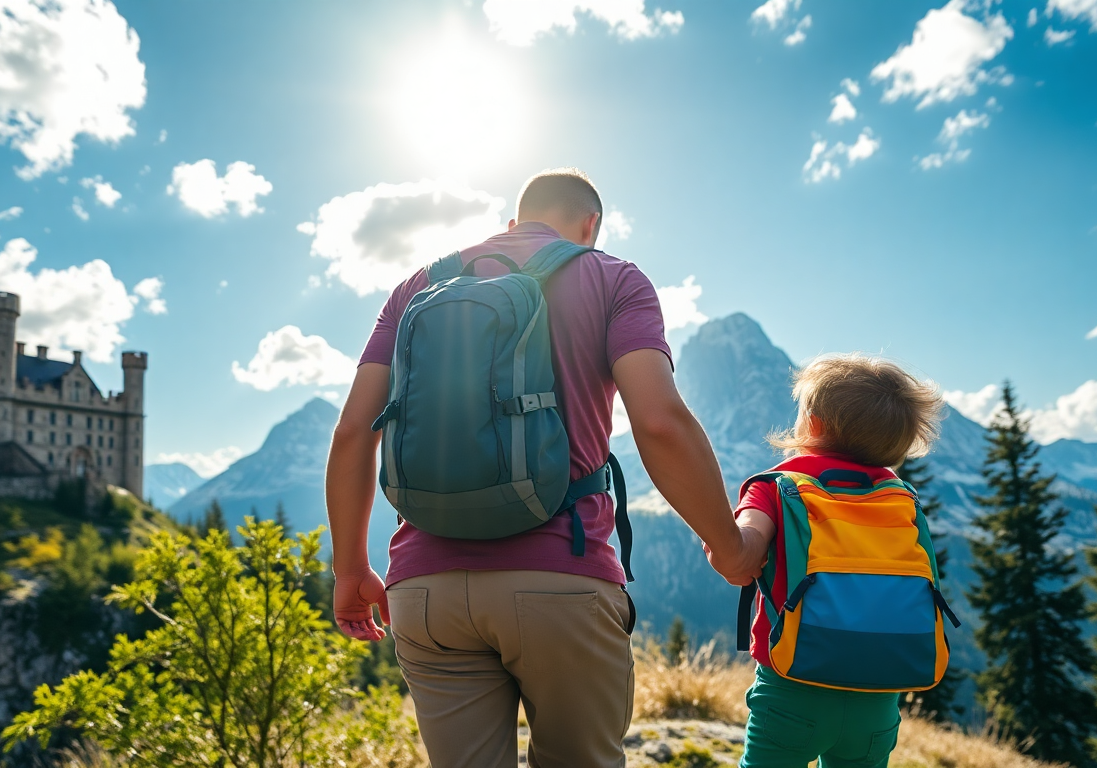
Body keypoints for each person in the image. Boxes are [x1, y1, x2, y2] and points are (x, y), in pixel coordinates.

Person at [325, 167, 762, 768]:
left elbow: (354, 433)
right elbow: (659, 423)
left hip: (425, 588)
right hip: (562, 574)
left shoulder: (418, 288)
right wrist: (729, 546)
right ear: (591, 226)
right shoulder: (614, 278)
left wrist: (349, 569)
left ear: (512, 224)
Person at [720, 354, 946, 768]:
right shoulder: (902, 501)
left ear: (815, 425)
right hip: (880, 694)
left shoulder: (778, 487)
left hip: (791, 689)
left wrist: (719, 533)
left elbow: (741, 553)